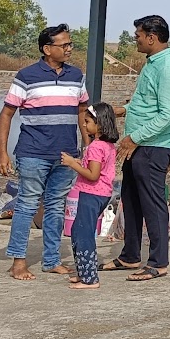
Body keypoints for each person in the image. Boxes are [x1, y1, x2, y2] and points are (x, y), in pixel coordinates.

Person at [0, 22, 88, 282]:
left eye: (70, 44)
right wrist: (2, 153)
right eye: (64, 44)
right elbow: (6, 115)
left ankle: (51, 260)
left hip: (66, 156)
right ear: (47, 49)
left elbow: (82, 113)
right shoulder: (26, 76)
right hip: (33, 153)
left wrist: (88, 145)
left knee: (57, 207)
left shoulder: (76, 76)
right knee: (26, 205)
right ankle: (18, 262)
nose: (69, 48)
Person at [104, 15, 170, 283]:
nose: (135, 39)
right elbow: (146, 105)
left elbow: (168, 115)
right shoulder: (152, 65)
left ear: (152, 37)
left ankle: (158, 262)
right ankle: (130, 255)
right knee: (132, 200)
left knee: (152, 205)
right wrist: (122, 111)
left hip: (153, 146)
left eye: (138, 35)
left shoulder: (168, 69)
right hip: (139, 145)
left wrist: (135, 137)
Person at [59, 102, 118, 290]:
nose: (84, 125)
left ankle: (90, 279)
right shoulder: (107, 146)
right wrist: (80, 162)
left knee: (83, 234)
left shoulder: (95, 147)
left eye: (87, 122)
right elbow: (97, 169)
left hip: (92, 194)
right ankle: (84, 271)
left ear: (99, 124)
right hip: (102, 194)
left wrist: (71, 163)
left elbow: (93, 175)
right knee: (78, 230)